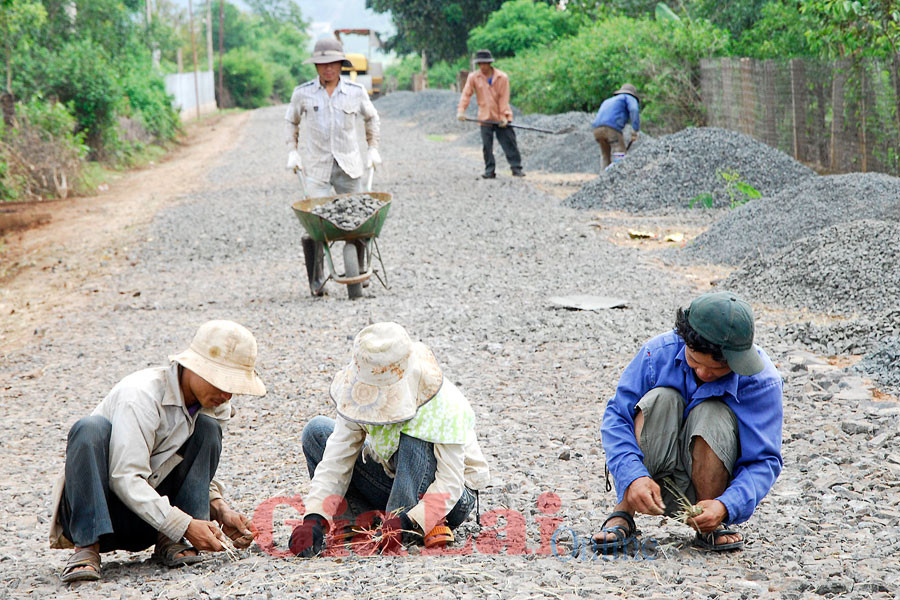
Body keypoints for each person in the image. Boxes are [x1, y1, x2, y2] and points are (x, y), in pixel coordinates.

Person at [50, 320, 267, 582]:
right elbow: (125, 478)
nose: (227, 395)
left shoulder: (215, 404)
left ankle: (172, 540)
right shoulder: (141, 395)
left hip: (151, 523)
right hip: (105, 514)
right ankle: (87, 547)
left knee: (208, 428)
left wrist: (220, 510)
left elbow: (195, 472)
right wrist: (184, 524)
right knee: (90, 429)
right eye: (221, 382)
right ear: (193, 367)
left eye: (233, 387)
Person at [595, 292, 783, 553]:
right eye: (694, 361)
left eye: (717, 370)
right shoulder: (656, 354)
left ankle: (709, 525)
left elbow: (764, 460)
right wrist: (633, 477)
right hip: (648, 483)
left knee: (712, 412)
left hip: (713, 489)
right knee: (662, 398)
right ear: (683, 339)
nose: (704, 373)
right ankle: (624, 511)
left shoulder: (761, 382)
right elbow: (617, 418)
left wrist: (726, 505)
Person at [290, 322, 490, 556]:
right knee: (317, 432)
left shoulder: (441, 401)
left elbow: (451, 481)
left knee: (413, 437)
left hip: (450, 498)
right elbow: (337, 458)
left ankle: (406, 524)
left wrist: (405, 521)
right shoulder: (359, 394)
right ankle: (359, 518)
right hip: (395, 478)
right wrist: (314, 518)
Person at [285, 37, 382, 295]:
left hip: (349, 165)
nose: (328, 68)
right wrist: (293, 151)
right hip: (317, 167)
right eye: (322, 64)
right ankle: (317, 279)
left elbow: (372, 118)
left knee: (359, 220)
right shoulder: (303, 93)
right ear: (316, 66)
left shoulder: (355, 91)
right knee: (315, 224)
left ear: (341, 64)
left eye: (333, 63)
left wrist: (372, 148)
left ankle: (360, 270)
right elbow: (291, 121)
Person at [456, 49, 524, 179]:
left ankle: (516, 168)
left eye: (485, 63)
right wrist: (461, 110)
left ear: (489, 63)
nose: (482, 66)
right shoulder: (473, 77)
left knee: (509, 143)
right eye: (480, 64)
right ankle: (489, 170)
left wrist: (504, 116)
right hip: (485, 117)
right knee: (487, 146)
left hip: (501, 117)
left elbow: (504, 98)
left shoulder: (502, 77)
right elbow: (466, 94)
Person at [591, 83, 641, 169]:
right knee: (619, 150)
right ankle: (620, 173)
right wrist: (635, 129)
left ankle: (603, 175)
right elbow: (634, 109)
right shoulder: (629, 97)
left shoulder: (608, 100)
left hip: (597, 129)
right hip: (611, 128)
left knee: (605, 155)